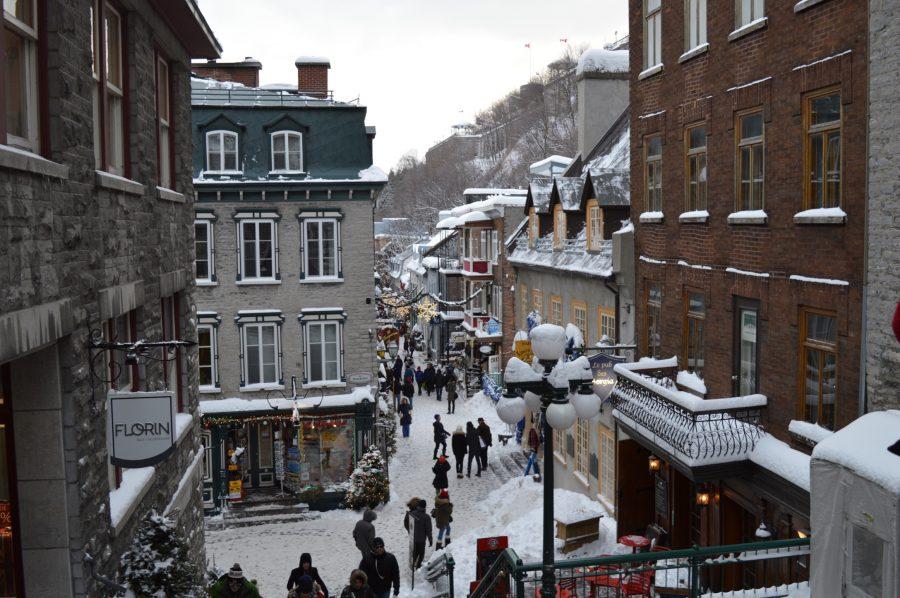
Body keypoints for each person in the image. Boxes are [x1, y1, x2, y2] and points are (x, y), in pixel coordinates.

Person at [403, 498, 433, 570]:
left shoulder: (412, 514)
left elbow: (406, 523)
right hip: (421, 539)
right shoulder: (426, 517)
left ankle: (412, 566)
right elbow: (428, 530)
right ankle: (418, 566)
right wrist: (430, 539)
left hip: (413, 538)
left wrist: (410, 531)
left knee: (414, 552)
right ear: (425, 507)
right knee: (421, 553)